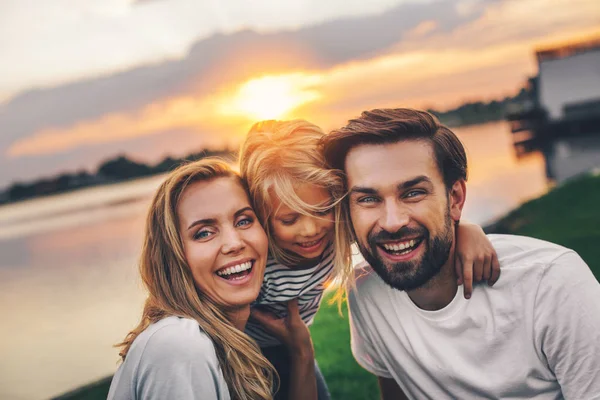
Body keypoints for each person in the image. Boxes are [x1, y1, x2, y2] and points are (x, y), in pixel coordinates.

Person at [321, 108, 600, 399]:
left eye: (413, 193)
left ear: (455, 199)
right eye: (368, 198)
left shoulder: (552, 284)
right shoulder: (366, 293)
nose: (393, 222)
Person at [239, 119, 501, 399]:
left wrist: (465, 229)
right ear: (263, 216)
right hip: (242, 351)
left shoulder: (338, 229)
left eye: (322, 209)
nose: (311, 230)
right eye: (289, 219)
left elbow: (391, 227)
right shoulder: (259, 256)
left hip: (292, 347)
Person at [107, 159, 317, 400]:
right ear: (172, 257)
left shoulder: (231, 344)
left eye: (244, 220)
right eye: (204, 233)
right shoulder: (180, 345)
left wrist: (302, 353)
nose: (234, 243)